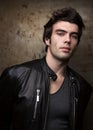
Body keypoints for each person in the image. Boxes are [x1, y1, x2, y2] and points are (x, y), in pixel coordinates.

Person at [0, 7, 92, 130]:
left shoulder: (82, 87)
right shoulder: (16, 76)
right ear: (47, 39)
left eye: (74, 36)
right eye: (60, 33)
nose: (68, 40)